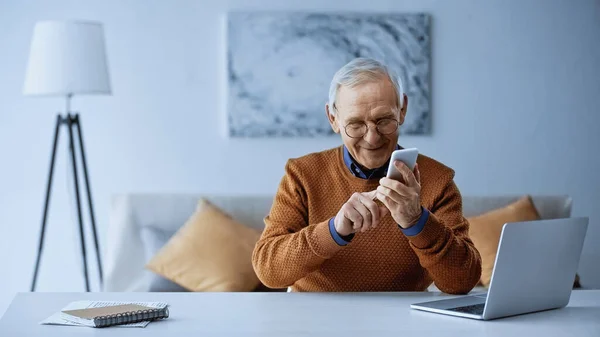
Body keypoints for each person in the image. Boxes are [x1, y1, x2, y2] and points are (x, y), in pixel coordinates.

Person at [252, 58, 481, 294]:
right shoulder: (302, 174)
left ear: (402, 110)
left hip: (402, 323)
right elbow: (268, 271)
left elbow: (462, 282)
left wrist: (417, 222)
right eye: (355, 124)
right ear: (333, 119)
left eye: (384, 121)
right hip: (316, 320)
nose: (372, 138)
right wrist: (333, 230)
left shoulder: (438, 180)